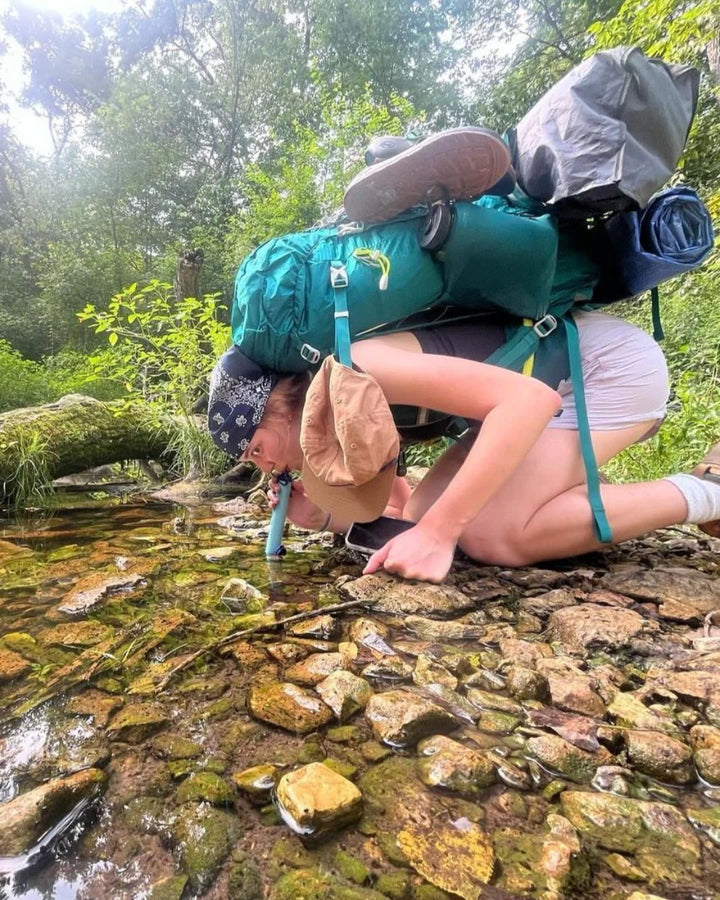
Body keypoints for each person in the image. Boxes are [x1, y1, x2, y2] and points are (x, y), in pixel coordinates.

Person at [207, 307, 720, 584]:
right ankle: (566, 485)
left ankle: (705, 493)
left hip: (599, 370)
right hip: (554, 382)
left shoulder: (361, 367)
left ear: (277, 404)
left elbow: (525, 404)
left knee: (491, 535)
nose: (263, 465)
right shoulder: (339, 414)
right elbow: (404, 503)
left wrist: (439, 534)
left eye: (254, 448)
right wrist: (318, 516)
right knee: (431, 509)